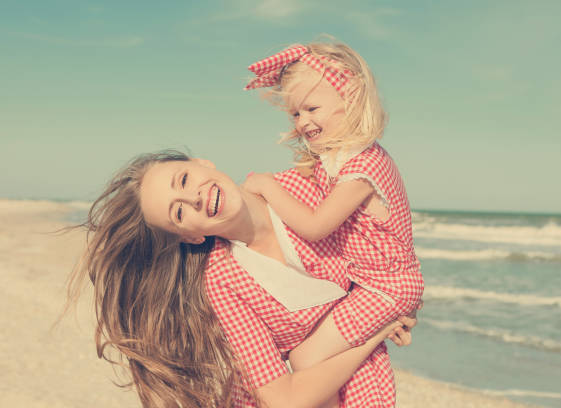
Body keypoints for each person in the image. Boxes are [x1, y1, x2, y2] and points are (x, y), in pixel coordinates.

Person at [68, 151, 417, 408]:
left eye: (185, 180)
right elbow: (283, 399)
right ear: (188, 237)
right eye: (179, 212)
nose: (194, 197)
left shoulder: (307, 190)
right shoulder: (222, 281)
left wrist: (398, 306)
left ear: (203, 163)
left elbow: (389, 259)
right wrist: (378, 330)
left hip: (360, 388)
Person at [243, 41, 425, 394]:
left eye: (312, 108)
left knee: (304, 359)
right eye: (296, 114)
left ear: (352, 96)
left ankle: (382, 332)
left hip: (386, 288)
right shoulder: (340, 159)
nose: (303, 121)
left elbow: (315, 226)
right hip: (371, 281)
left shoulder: (362, 167)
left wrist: (266, 184)